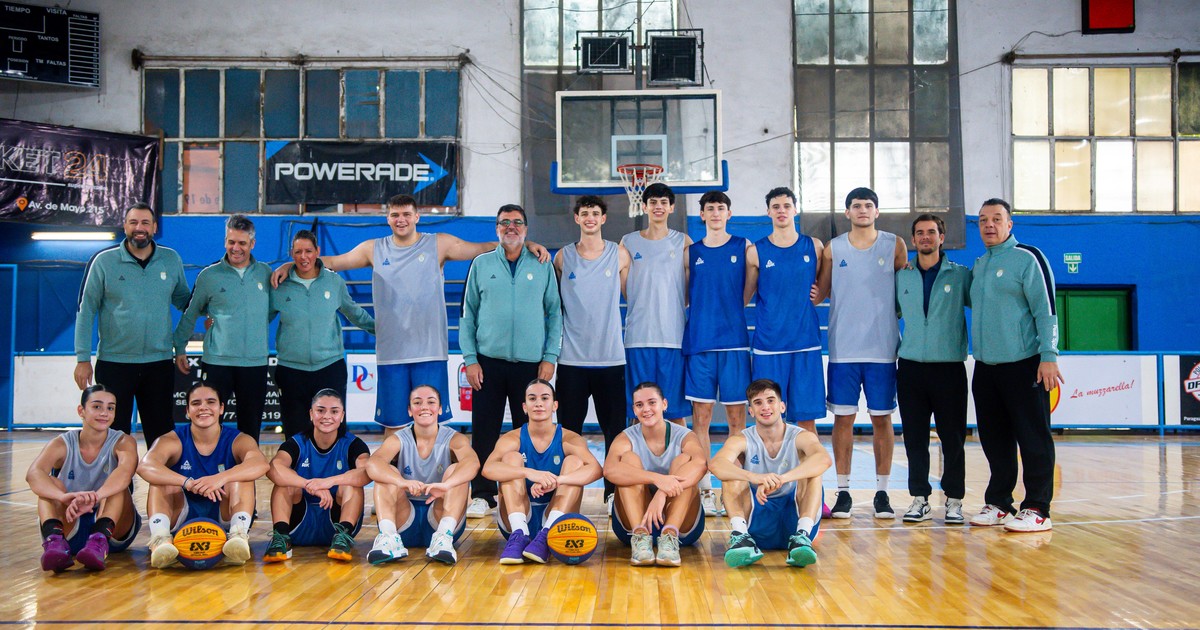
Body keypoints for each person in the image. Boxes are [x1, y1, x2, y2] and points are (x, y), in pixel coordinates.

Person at [269, 194, 548, 437]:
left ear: (417, 217)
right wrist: (288, 265)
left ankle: (432, 480)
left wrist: (526, 243)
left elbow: (484, 247)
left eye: (405, 214)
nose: (400, 220)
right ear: (387, 219)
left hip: (430, 352)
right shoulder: (373, 249)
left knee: (432, 425)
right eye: (395, 215)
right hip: (392, 354)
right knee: (394, 426)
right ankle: (393, 480)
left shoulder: (438, 244)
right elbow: (331, 262)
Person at [460, 204, 562, 519]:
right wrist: (470, 359)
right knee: (484, 430)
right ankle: (482, 494)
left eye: (517, 222)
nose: (511, 227)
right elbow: (467, 315)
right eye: (504, 222)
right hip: (487, 363)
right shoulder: (481, 264)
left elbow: (555, 313)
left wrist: (550, 357)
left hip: (530, 365)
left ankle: (532, 488)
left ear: (526, 229)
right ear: (496, 229)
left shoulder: (542, 264)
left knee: (529, 431)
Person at [813, 187, 907, 519]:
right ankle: (844, 491)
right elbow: (819, 292)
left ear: (876, 212)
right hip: (844, 348)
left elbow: (906, 290)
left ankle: (882, 492)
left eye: (868, 205)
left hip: (883, 348)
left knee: (882, 418)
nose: (863, 210)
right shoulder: (833, 248)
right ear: (847, 213)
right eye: (856, 206)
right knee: (843, 419)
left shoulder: (894, 245)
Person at [969, 198, 1062, 533]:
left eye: (996, 219)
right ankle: (1000, 503)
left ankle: (1037, 508)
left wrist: (1048, 355)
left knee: (1033, 438)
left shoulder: (1028, 258)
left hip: (1025, 365)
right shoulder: (980, 265)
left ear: (1010, 224)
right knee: (995, 440)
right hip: (985, 367)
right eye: (983, 220)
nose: (989, 225)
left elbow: (1046, 310)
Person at [73, 202, 190, 447]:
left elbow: (185, 302)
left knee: (161, 435)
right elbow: (86, 311)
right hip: (114, 363)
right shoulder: (104, 262)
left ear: (154, 227)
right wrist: (83, 358)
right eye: (134, 222)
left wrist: (215, 308)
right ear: (125, 226)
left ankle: (160, 475)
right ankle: (118, 475)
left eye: (145, 222)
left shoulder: (170, 259)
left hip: (158, 363)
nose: (140, 228)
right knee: (114, 435)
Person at [137, 381, 269, 568]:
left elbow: (261, 464)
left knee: (241, 475)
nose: (203, 407)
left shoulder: (238, 439)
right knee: (161, 479)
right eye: (196, 403)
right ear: (187, 411)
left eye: (210, 402)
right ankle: (160, 540)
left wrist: (219, 478)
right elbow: (145, 466)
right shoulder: (172, 439)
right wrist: (187, 482)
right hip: (182, 512)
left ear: (221, 408)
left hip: (223, 510)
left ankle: (238, 536)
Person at [552, 195, 630, 504]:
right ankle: (569, 493)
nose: (590, 218)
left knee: (615, 433)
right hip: (572, 361)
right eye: (584, 213)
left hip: (610, 359)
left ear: (603, 218)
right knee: (570, 433)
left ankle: (613, 494)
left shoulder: (619, 254)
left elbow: (634, 295)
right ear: (576, 218)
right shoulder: (563, 257)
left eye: (595, 213)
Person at [895, 214, 971, 524]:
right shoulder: (902, 277)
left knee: (952, 439)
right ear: (913, 239)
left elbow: (985, 307)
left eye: (931, 232)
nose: (925, 237)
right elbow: (889, 312)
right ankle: (920, 499)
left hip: (949, 368)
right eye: (920, 233)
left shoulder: (961, 275)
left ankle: (954, 500)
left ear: (942, 237)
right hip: (910, 369)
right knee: (915, 439)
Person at [709, 379, 831, 568]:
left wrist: (781, 479)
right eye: (758, 403)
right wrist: (755, 477)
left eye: (771, 400)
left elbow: (824, 459)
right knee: (731, 471)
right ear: (751, 411)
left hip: (794, 514)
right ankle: (741, 536)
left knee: (813, 468)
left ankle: (802, 536)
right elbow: (716, 464)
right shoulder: (741, 439)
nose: (765, 407)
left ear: (782, 406)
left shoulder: (801, 436)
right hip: (757, 518)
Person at [173, 214, 273, 442]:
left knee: (250, 428)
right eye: (231, 242)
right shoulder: (209, 276)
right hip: (218, 363)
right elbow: (190, 313)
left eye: (242, 243)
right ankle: (208, 464)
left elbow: (273, 309)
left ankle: (247, 466)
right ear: (225, 241)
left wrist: (253, 325)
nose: (236, 248)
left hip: (254, 363)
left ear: (252, 244)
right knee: (209, 425)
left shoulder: (265, 274)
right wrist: (179, 346)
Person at [683, 191, 753, 515]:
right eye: (709, 208)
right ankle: (705, 489)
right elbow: (685, 293)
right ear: (702, 215)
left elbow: (748, 290)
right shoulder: (691, 252)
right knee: (701, 419)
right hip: (700, 342)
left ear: (729, 214)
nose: (714, 213)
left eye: (720, 208)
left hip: (734, 343)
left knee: (738, 420)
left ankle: (733, 487)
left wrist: (731, 309)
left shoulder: (744, 246)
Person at [482, 379, 603, 564]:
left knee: (575, 462)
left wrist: (558, 480)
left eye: (545, 398)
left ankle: (546, 534)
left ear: (555, 405)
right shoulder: (512, 438)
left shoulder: (569, 438)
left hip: (555, 518)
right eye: (532, 398)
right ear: (524, 407)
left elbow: (596, 469)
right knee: (510, 459)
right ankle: (519, 534)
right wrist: (528, 472)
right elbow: (488, 468)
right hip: (519, 515)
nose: (538, 403)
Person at [270, 230, 376, 437]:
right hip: (291, 370)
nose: (304, 257)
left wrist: (382, 332)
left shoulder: (334, 282)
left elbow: (355, 313)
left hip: (329, 367)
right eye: (298, 252)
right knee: (295, 435)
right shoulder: (279, 285)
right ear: (292, 254)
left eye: (308, 251)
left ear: (317, 251)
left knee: (333, 432)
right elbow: (258, 318)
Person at [26, 384, 141, 572]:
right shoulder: (62, 443)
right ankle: (55, 542)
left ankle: (98, 542)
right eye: (97, 406)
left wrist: (96, 497)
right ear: (81, 411)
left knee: (119, 488)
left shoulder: (123, 441)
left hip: (113, 528)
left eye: (110, 408)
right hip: (72, 519)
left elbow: (124, 474)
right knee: (51, 484)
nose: (104, 413)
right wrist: (63, 497)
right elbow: (33, 474)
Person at [365, 385, 479, 565]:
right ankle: (388, 537)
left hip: (439, 515)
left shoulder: (455, 438)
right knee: (387, 473)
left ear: (440, 409)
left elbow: (473, 464)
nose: (424, 407)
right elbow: (372, 464)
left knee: (456, 471)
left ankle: (444, 537)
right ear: (410, 410)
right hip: (404, 519)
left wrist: (445, 486)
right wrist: (401, 482)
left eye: (431, 402)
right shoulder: (398, 439)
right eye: (417, 403)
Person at [747, 187, 826, 432]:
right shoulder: (755, 252)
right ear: (768, 212)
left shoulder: (814, 247)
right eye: (776, 207)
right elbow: (743, 296)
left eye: (786, 206)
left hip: (805, 342)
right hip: (769, 346)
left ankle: (808, 461)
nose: (781, 211)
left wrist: (819, 293)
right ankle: (769, 460)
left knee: (806, 420)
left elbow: (822, 287)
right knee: (768, 418)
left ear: (795, 210)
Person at [604, 382, 707, 567]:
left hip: (683, 525)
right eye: (639, 405)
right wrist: (657, 479)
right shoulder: (626, 437)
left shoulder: (684, 435)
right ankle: (640, 537)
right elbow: (609, 469)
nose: (646, 409)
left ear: (664, 404)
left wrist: (662, 492)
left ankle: (670, 536)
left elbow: (701, 465)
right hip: (634, 522)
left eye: (652, 402)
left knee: (684, 461)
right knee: (627, 460)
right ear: (634, 410)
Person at [263, 389, 370, 563]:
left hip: (335, 520)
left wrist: (328, 482)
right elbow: (273, 468)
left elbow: (367, 472)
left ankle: (342, 537)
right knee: (286, 481)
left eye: (334, 411)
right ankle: (281, 537)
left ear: (342, 416)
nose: (327, 416)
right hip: (298, 523)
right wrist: (309, 485)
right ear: (311, 414)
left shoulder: (353, 444)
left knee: (351, 482)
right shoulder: (297, 443)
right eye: (320, 410)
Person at [620, 183, 692, 428]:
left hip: (672, 338)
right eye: (653, 202)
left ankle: (681, 454)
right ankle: (637, 453)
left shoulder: (682, 241)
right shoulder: (628, 242)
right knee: (638, 411)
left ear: (671, 207)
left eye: (663, 202)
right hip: (638, 337)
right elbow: (625, 289)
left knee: (674, 411)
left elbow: (690, 288)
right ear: (644, 207)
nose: (658, 207)